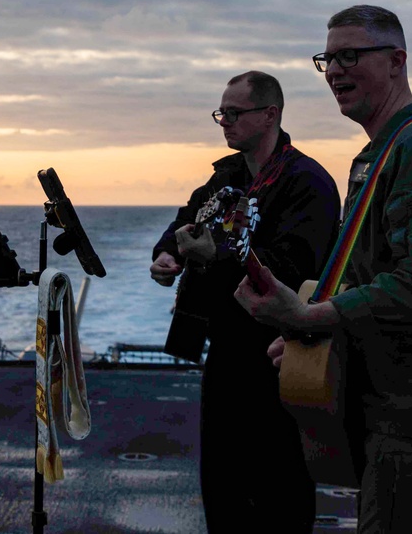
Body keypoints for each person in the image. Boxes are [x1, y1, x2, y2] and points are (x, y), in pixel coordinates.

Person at [234, 6, 412, 534]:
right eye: (328, 58)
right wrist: (309, 336)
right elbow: (370, 275)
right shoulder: (380, 155)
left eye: (351, 55)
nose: (335, 70)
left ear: (396, 62)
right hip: (396, 415)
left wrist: (312, 319)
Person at [150, 71, 341, 532]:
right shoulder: (226, 177)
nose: (224, 123)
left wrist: (215, 255)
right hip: (226, 350)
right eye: (222, 113)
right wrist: (165, 254)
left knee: (279, 485)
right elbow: (185, 220)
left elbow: (295, 267)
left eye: (234, 114)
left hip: (279, 354)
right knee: (223, 484)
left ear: (270, 114)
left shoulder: (307, 182)